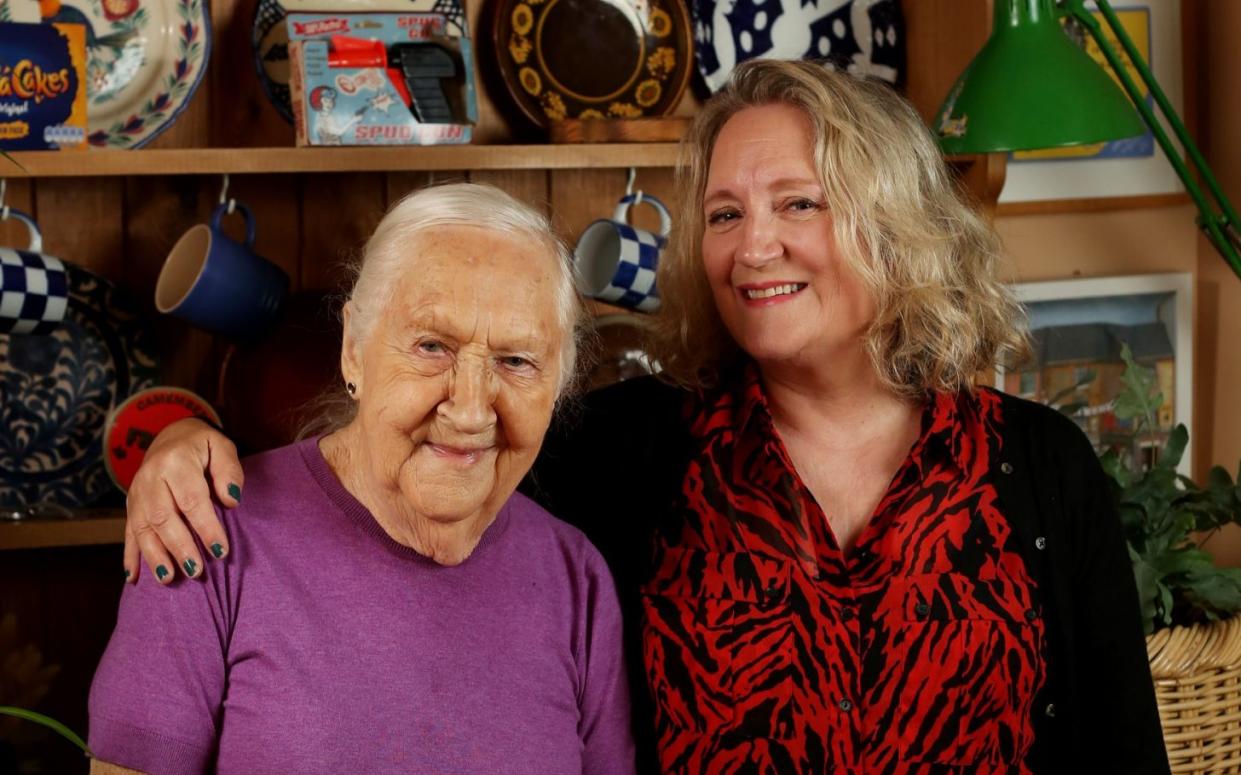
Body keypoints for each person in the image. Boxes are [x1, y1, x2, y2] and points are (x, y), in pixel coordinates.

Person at [118, 60, 1168, 773]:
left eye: (796, 203)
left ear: (896, 227)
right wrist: (177, 439)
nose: (750, 246)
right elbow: (415, 432)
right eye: (723, 214)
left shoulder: (1036, 469)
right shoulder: (632, 447)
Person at [87, 184, 636, 774]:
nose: (471, 409)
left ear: (558, 384)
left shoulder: (576, 579)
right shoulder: (201, 529)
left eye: (517, 361)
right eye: (432, 346)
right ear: (354, 349)